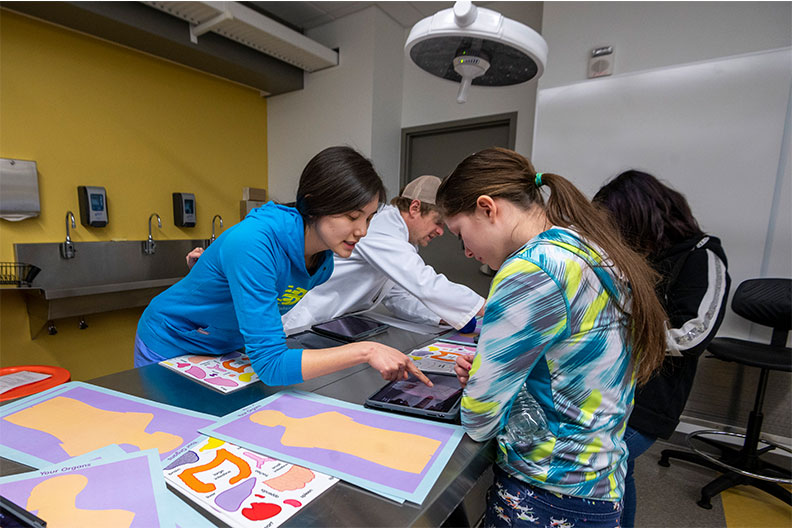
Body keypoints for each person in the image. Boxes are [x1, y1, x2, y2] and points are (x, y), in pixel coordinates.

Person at [438, 148, 668, 527]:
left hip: (548, 491)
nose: (466, 251)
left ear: (487, 208)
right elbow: (571, 367)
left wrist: (484, 385)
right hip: (599, 482)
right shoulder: (590, 249)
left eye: (460, 233)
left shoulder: (532, 269)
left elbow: (479, 418)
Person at [135, 146, 431, 388]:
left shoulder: (322, 262)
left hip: (224, 347)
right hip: (172, 340)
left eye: (368, 219)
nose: (362, 231)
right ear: (314, 204)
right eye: (353, 217)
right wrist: (366, 350)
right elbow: (271, 366)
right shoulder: (255, 242)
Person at [593, 170, 730, 528]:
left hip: (651, 398)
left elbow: (693, 335)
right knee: (620, 472)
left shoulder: (702, 257)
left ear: (639, 218)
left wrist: (613, 333)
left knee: (608, 463)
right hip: (611, 387)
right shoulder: (636, 257)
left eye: (616, 227)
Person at [280, 175, 485, 335]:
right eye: (437, 222)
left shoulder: (400, 241)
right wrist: (487, 306)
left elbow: (397, 297)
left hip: (333, 322)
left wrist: (439, 317)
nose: (440, 231)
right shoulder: (382, 226)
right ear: (415, 208)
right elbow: (423, 280)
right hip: (301, 320)